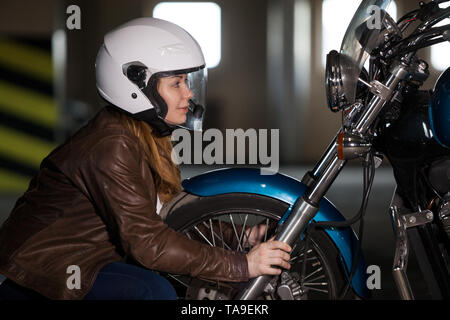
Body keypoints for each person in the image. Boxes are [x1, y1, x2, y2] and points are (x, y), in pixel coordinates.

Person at [0, 18, 291, 300]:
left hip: (98, 252)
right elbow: (149, 243)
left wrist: (240, 238)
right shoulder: (112, 145)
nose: (189, 93)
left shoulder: (145, 133)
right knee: (154, 291)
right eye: (176, 83)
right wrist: (242, 265)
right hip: (49, 266)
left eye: (187, 81)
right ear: (136, 85)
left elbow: (164, 214)